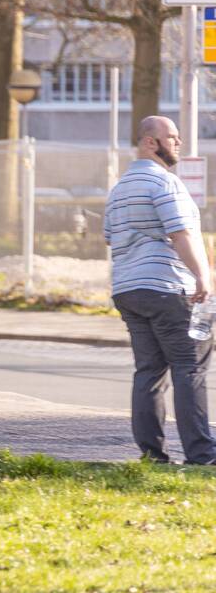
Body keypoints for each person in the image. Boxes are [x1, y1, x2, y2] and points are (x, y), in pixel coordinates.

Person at [104, 115, 216, 465]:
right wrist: (203, 276)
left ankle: (152, 455)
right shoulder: (165, 182)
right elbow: (181, 232)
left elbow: (109, 237)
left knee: (148, 372)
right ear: (150, 142)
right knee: (190, 367)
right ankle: (201, 454)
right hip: (168, 287)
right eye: (172, 137)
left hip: (128, 289)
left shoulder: (119, 189)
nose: (178, 143)